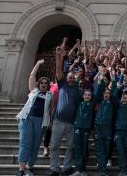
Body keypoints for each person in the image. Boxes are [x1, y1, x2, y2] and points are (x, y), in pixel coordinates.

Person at [16, 59, 54, 176]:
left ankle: (30, 166)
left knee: (36, 144)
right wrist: (38, 64)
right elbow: (32, 76)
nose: (43, 84)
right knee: (25, 143)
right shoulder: (33, 91)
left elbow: (51, 109)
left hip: (41, 122)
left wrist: (51, 122)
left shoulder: (50, 95)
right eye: (41, 83)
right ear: (39, 84)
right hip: (27, 119)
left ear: (48, 85)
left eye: (45, 83)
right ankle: (21, 169)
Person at [50, 44, 82, 176]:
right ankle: (54, 168)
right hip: (58, 121)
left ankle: (67, 167)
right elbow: (58, 70)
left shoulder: (78, 90)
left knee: (70, 147)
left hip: (71, 123)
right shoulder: (62, 84)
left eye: (73, 76)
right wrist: (58, 56)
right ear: (66, 77)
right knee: (54, 146)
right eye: (70, 75)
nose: (72, 77)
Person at [94, 70, 117, 176]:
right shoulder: (99, 100)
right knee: (99, 148)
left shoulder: (112, 101)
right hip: (98, 127)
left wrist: (113, 79)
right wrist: (101, 79)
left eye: (108, 93)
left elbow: (114, 90)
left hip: (108, 128)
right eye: (105, 93)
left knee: (106, 147)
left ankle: (103, 169)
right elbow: (99, 90)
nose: (107, 94)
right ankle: (101, 170)